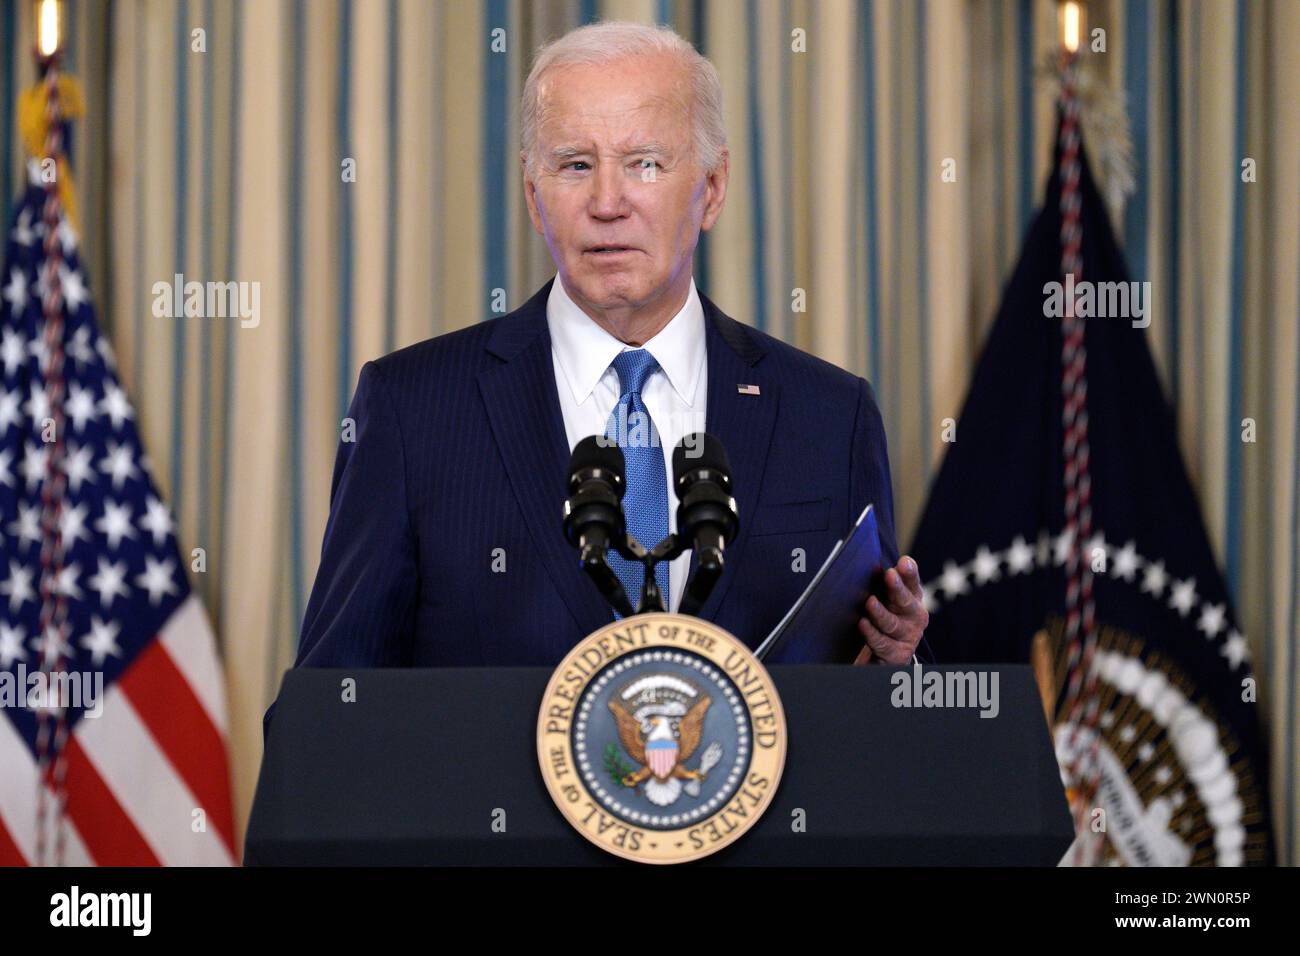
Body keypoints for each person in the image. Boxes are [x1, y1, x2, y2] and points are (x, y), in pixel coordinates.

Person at [291, 21, 927, 677]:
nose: (607, 202)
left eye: (644, 164)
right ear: (535, 198)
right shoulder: (412, 410)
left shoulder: (827, 415)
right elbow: (331, 712)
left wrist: (894, 662)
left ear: (712, 188)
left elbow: (883, 722)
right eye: (574, 165)